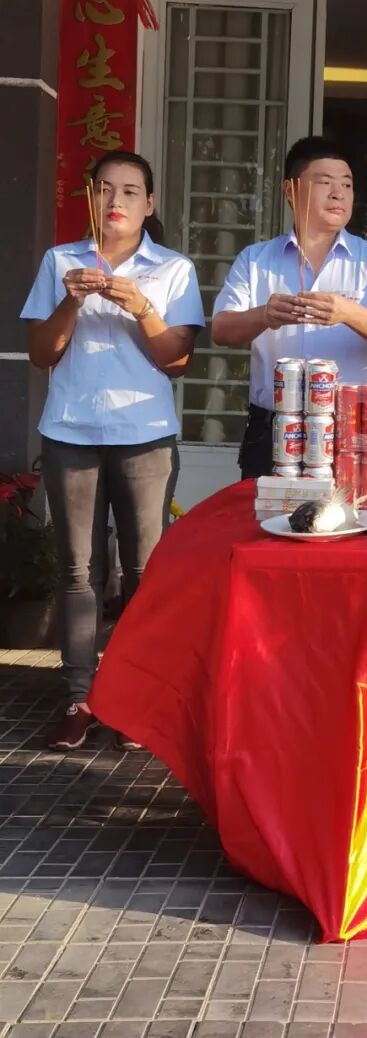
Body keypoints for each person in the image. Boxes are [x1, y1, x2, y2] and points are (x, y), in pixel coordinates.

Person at [22, 151, 205, 752]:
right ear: (91, 198)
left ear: (149, 204)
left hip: (144, 433)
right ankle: (79, 696)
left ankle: (135, 697)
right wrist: (72, 301)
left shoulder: (172, 268)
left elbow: (177, 361)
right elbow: (41, 354)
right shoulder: (61, 261)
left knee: (145, 572)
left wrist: (142, 307)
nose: (116, 201)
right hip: (70, 430)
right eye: (104, 189)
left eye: (130, 191)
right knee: (78, 570)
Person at [211, 137, 367, 480]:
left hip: (349, 428)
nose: (338, 194)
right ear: (290, 190)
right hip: (274, 424)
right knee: (266, 513)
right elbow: (221, 329)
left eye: (346, 184)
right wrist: (264, 315)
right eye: (324, 182)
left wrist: (348, 313)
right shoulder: (256, 259)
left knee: (347, 513)